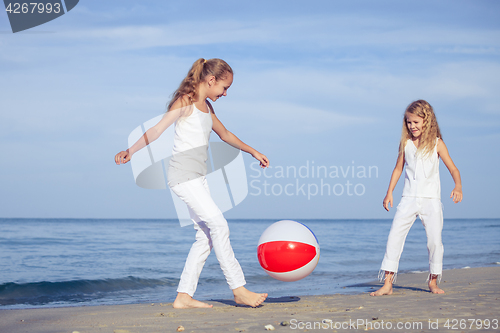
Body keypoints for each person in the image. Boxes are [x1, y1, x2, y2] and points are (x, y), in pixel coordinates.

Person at [115, 58, 269, 308]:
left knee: (206, 237)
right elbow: (156, 130)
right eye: (224, 87)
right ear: (211, 81)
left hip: (197, 178)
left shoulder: (207, 107)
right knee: (220, 225)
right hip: (182, 177)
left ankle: (183, 296)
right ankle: (239, 289)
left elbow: (225, 134)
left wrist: (253, 151)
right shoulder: (185, 101)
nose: (226, 93)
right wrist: (130, 151)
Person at [370, 100, 462, 296]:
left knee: (435, 242)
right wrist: (389, 192)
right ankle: (387, 284)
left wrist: (458, 186)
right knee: (394, 237)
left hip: (431, 200)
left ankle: (433, 282)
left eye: (416, 122)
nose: (412, 126)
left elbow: (453, 169)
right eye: (408, 122)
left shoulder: (437, 144)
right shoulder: (406, 144)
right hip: (408, 198)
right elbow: (398, 168)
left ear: (426, 121)